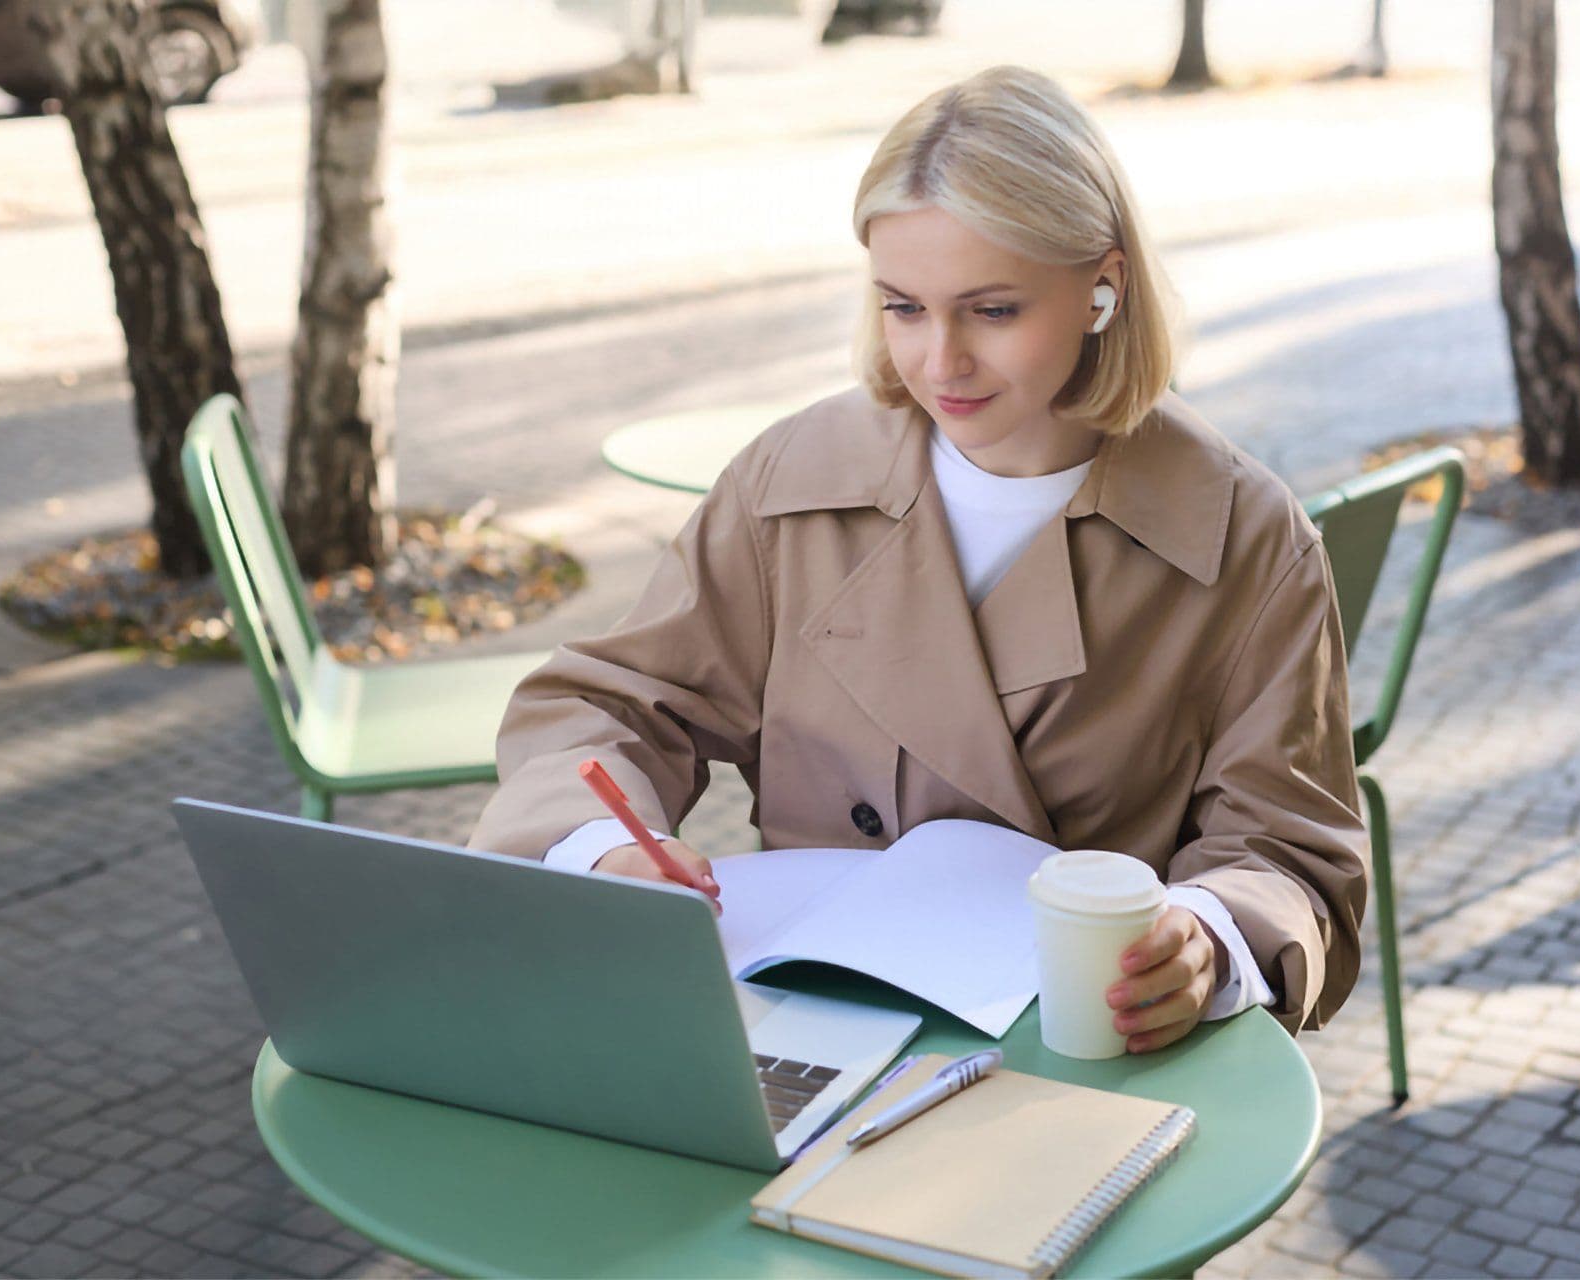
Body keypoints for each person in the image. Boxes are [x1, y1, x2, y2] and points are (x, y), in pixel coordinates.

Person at [468, 65, 1368, 1049]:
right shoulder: (789, 480)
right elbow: (605, 706)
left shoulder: (1241, 533)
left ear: (1101, 288)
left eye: (992, 310)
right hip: (800, 1020)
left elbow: (1286, 840)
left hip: (1081, 1043)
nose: (939, 362)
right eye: (902, 306)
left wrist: (1208, 937)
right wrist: (607, 847)